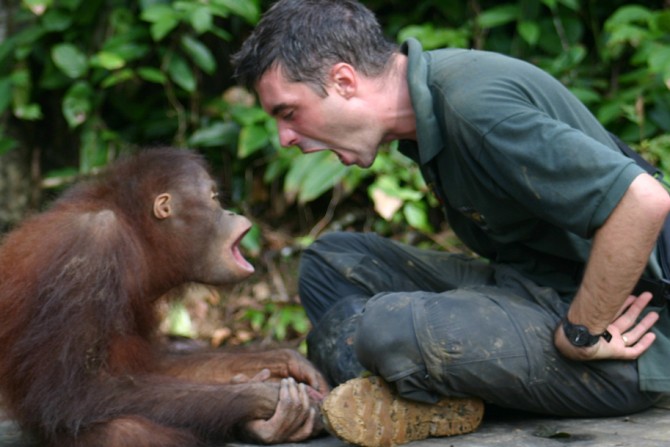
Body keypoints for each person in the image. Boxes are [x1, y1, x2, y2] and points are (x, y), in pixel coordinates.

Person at [232, 0, 670, 445]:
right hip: (531, 285)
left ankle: (399, 384)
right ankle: (408, 388)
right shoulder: (430, 103)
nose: (285, 138)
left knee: (387, 328)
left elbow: (642, 201)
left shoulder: (474, 108)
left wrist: (582, 332)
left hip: (626, 341)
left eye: (289, 113)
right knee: (330, 262)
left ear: (343, 81)